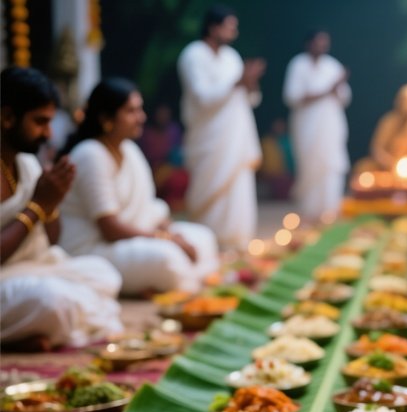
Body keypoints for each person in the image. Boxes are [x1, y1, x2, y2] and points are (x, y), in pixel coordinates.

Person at [59, 77, 218, 296]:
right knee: (168, 259)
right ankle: (176, 281)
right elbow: (110, 228)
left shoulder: (130, 150)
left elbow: (148, 207)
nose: (141, 117)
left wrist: (172, 232)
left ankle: (171, 282)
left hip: (132, 237)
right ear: (106, 118)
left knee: (203, 237)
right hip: (94, 248)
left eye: (140, 109)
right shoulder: (90, 154)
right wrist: (168, 239)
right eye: (131, 111)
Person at [0, 66, 122, 350]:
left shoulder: (27, 163)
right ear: (7, 117)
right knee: (50, 300)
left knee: (104, 275)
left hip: (31, 269)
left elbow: (52, 240)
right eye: (40, 122)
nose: (48, 133)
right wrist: (36, 207)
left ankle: (33, 332)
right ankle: (26, 334)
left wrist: (52, 203)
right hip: (8, 278)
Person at [177, 4, 264, 251]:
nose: (234, 32)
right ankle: (207, 244)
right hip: (209, 137)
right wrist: (237, 82)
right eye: (229, 27)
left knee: (238, 186)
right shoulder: (193, 55)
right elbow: (202, 98)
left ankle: (237, 242)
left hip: (236, 137)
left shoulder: (231, 57)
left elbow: (249, 99)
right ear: (213, 27)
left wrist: (250, 82)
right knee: (208, 189)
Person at [283, 30, 350, 222]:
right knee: (309, 168)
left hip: (330, 126)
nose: (322, 46)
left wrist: (336, 88)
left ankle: (330, 213)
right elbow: (292, 96)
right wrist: (327, 90)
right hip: (307, 128)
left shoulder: (332, 65)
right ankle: (309, 213)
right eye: (318, 42)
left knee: (331, 166)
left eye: (324, 42)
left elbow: (345, 97)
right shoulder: (298, 64)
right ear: (309, 44)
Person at [139, 103, 189, 211]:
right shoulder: (146, 133)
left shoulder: (174, 130)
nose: (163, 116)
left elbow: (178, 152)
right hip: (153, 169)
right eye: (160, 113)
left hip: (173, 167)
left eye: (166, 113)